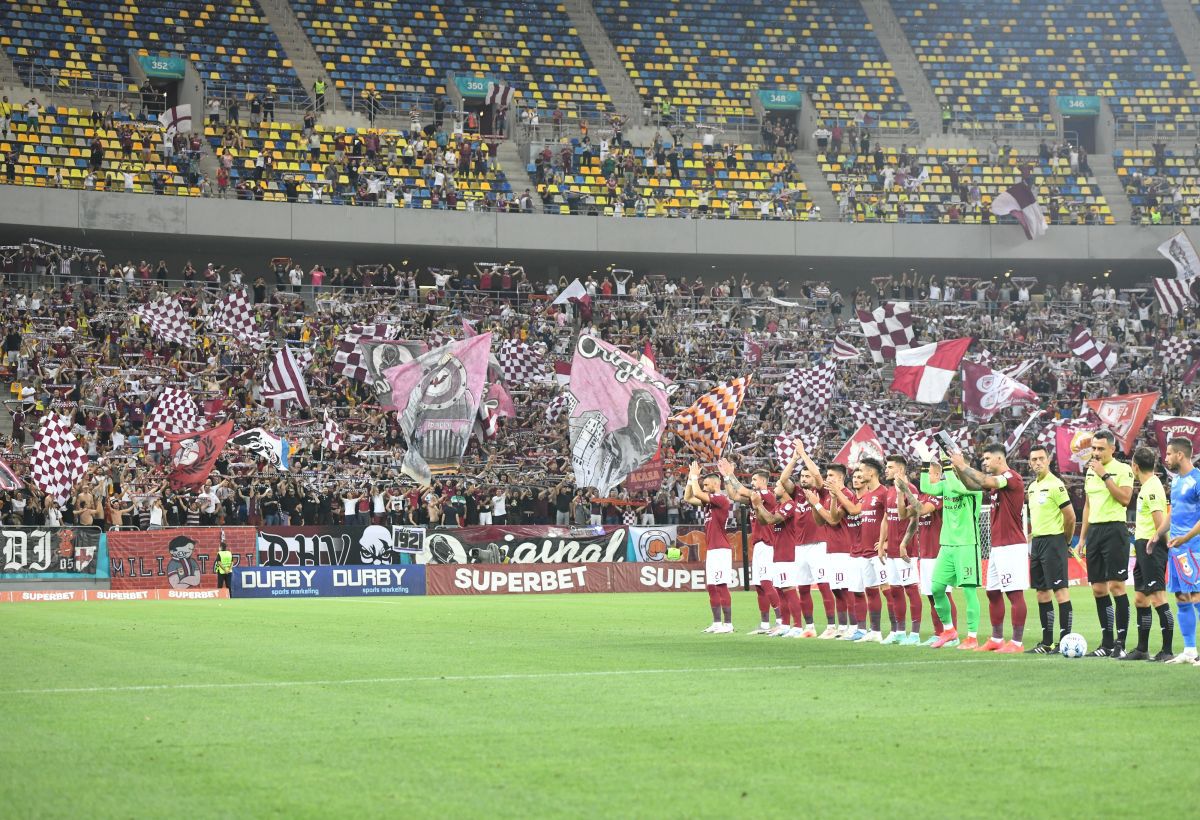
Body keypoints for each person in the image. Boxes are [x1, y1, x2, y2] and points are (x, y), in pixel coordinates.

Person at [950, 443, 1027, 653]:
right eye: (982, 460)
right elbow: (971, 485)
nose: (984, 462)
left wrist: (963, 464)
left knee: (1013, 594)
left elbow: (984, 480)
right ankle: (996, 639)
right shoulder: (995, 485)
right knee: (993, 592)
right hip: (997, 546)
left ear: (999, 459)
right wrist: (957, 467)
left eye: (986, 459)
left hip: (1012, 545)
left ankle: (1017, 643)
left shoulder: (1011, 477)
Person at [1077, 430, 1134, 657]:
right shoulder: (1090, 472)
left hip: (1115, 530)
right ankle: (1107, 643)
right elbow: (1088, 506)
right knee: (1098, 589)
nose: (1096, 452)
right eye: (1094, 448)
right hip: (1096, 532)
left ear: (1112, 449)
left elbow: (1124, 500)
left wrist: (1104, 475)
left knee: (1116, 587)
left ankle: (1120, 643)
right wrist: (1082, 537)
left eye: (1101, 448)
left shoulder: (1123, 470)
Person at [920, 452, 984, 649]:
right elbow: (926, 487)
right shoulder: (946, 484)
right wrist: (924, 462)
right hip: (946, 545)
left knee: (969, 592)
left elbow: (957, 487)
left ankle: (972, 637)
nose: (953, 467)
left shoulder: (974, 484)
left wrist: (947, 464)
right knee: (937, 588)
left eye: (957, 464)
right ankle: (949, 630)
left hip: (967, 544)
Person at [718, 458, 781, 635]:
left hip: (768, 545)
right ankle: (764, 625)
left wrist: (731, 474)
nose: (752, 483)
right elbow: (734, 496)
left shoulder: (767, 495)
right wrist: (726, 478)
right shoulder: (754, 498)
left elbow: (742, 490)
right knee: (760, 586)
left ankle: (781, 621)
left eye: (754, 480)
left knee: (767, 583)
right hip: (759, 545)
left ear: (762, 481)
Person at [1023, 445, 1076, 654]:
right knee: (1042, 593)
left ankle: (1064, 641)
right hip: (1037, 543)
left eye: (1041, 459)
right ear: (1029, 463)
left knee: (1060, 592)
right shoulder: (1033, 487)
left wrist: (1066, 540)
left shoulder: (1056, 485)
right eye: (1033, 459)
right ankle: (1046, 643)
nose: (1037, 462)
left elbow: (1070, 516)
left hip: (1055, 542)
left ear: (1048, 460)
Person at [1126, 446, 1173, 661]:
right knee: (1140, 599)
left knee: (1158, 598)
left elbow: (1159, 521)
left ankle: (1167, 650)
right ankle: (1142, 649)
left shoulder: (1152, 488)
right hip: (1144, 547)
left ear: (1135, 466)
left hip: (1151, 547)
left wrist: (1160, 546)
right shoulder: (1148, 485)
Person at [838, 458, 887, 643]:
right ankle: (872, 631)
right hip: (865, 552)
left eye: (862, 471)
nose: (858, 475)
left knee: (888, 590)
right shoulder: (866, 497)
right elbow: (852, 511)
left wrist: (886, 542)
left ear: (871, 473)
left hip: (878, 551)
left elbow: (891, 518)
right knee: (869, 590)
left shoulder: (884, 493)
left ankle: (896, 631)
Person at [683, 462, 734, 633]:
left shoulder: (721, 499)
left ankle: (728, 624)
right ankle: (717, 623)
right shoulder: (708, 503)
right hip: (712, 549)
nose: (704, 488)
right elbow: (688, 497)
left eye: (706, 485)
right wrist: (691, 479)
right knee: (711, 586)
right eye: (703, 485)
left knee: (721, 585)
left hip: (721, 549)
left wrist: (695, 477)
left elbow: (696, 493)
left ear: (715, 483)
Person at [1163, 437, 1200, 664]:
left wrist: (1185, 538)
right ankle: (1189, 650)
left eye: (1168, 454)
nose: (1165, 458)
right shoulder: (1175, 482)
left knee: (1197, 596)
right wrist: (1158, 534)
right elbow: (1173, 512)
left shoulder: (1197, 480)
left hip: (1194, 548)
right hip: (1176, 550)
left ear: (1180, 455)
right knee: (1181, 597)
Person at [880, 455, 922, 645]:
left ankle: (914, 634)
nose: (886, 470)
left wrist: (905, 543)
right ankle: (898, 631)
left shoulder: (910, 489)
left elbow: (914, 519)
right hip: (892, 552)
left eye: (890, 467)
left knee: (911, 590)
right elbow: (887, 518)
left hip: (907, 550)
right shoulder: (889, 491)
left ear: (901, 470)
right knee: (895, 590)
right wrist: (882, 544)